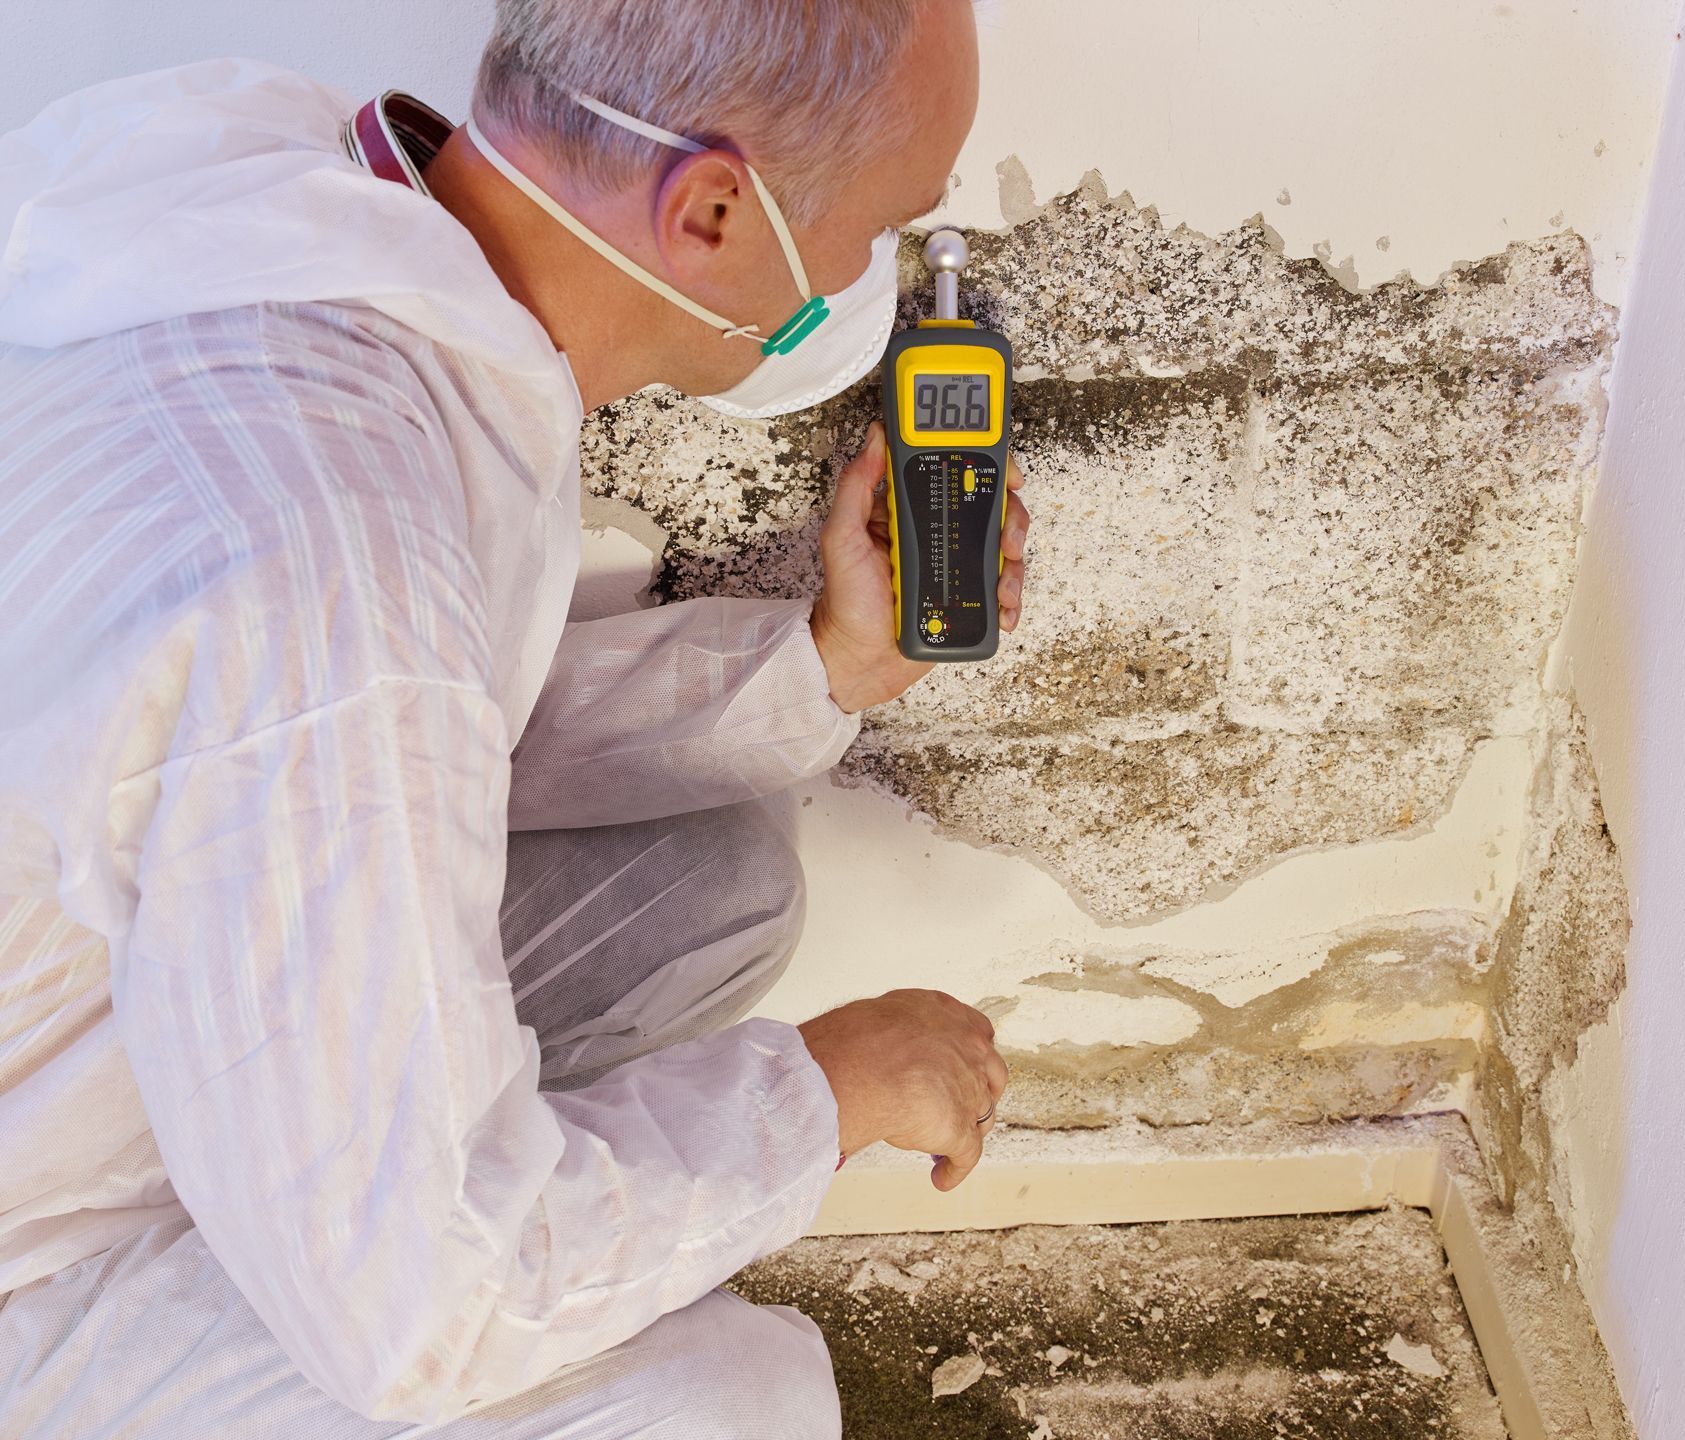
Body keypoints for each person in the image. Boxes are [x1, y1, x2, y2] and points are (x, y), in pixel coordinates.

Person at [0, 1, 1027, 1434]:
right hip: (36, 1247)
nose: (871, 277)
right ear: (717, 209)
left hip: (110, 1006)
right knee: (739, 1400)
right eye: (881, 227)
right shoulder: (324, 566)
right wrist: (827, 1089)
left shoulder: (293, 197)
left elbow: (412, 734)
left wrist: (825, 665)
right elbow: (429, 1311)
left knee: (711, 879)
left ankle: (405, 1192)